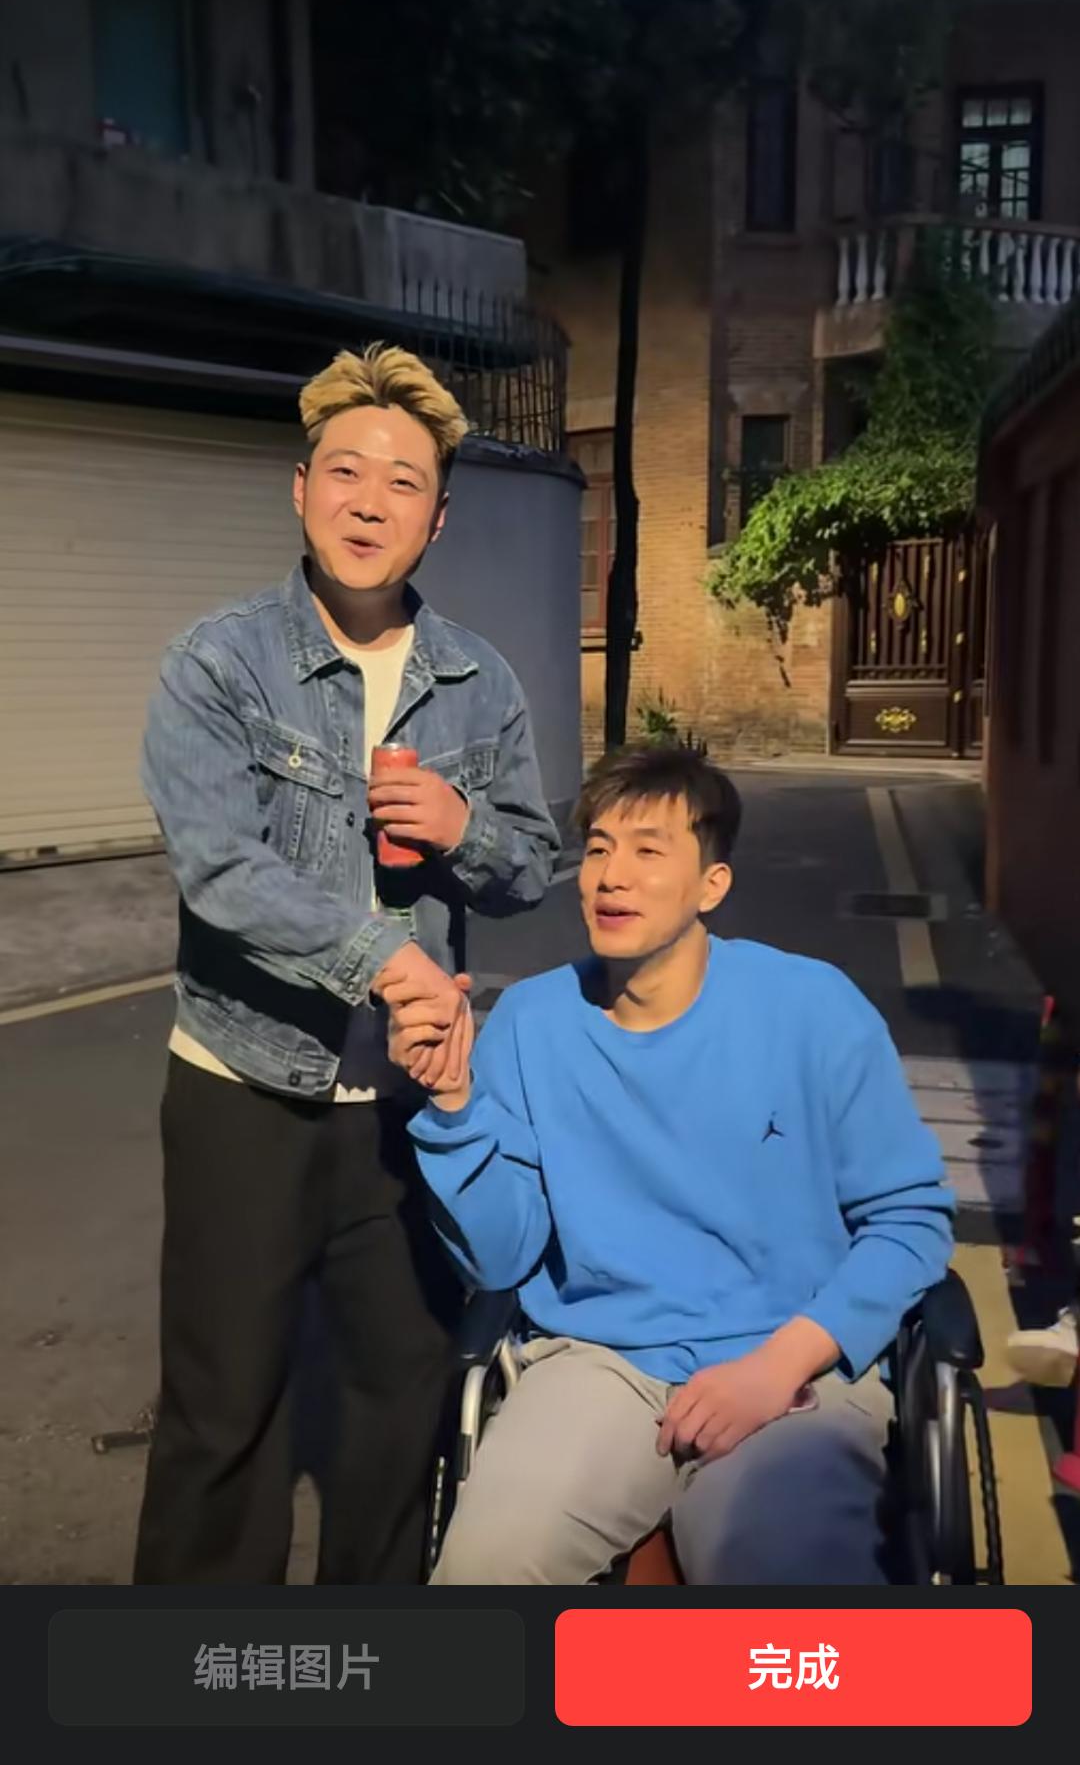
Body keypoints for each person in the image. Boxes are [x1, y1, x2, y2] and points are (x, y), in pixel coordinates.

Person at [134, 345, 559, 1585]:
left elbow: (532, 868)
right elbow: (219, 870)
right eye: (345, 472)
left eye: (403, 482)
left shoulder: (479, 681)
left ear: (439, 518)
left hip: (410, 1105)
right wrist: (384, 956)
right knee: (224, 1414)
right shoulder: (218, 663)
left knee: (399, 1406)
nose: (370, 503)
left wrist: (463, 828)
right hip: (241, 1086)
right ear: (301, 488)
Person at [390, 746, 955, 1585]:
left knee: (794, 1581)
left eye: (648, 851)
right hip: (598, 1362)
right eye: (599, 849)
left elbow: (910, 1221)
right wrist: (452, 1104)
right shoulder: (531, 1023)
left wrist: (779, 1365)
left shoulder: (813, 1009)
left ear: (711, 886)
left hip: (787, 1367)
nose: (611, 876)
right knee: (486, 1568)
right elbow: (501, 1260)